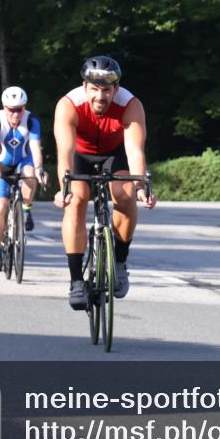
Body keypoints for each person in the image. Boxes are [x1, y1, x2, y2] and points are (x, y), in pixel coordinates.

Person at [52, 55, 157, 310]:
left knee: (125, 194)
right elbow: (64, 152)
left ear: (116, 89)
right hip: (81, 154)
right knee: (75, 202)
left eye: (107, 90)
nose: (101, 96)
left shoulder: (130, 105)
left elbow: (135, 151)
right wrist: (63, 188)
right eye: (95, 90)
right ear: (85, 86)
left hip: (115, 153)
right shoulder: (69, 105)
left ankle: (120, 262)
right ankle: (76, 280)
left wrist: (141, 186)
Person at [0, 87, 47, 270]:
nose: (15, 113)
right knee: (0, 206)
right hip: (2, 164)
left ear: (24, 107)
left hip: (23, 160)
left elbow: (35, 147)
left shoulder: (31, 120)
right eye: (11, 109)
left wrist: (40, 169)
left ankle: (26, 209)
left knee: (30, 173)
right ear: (4, 107)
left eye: (19, 109)